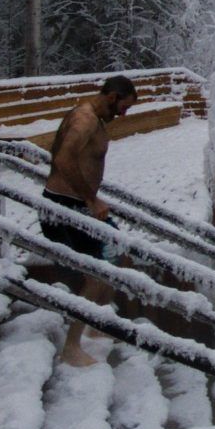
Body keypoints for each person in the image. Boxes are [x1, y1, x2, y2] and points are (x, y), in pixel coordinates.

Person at [39, 75, 137, 367]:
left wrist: (88, 198)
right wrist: (90, 199)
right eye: (123, 107)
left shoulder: (90, 116)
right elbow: (63, 159)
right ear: (112, 97)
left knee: (118, 251)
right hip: (63, 208)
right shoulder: (85, 120)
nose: (123, 115)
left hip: (77, 205)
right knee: (94, 275)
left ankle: (95, 323)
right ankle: (71, 347)